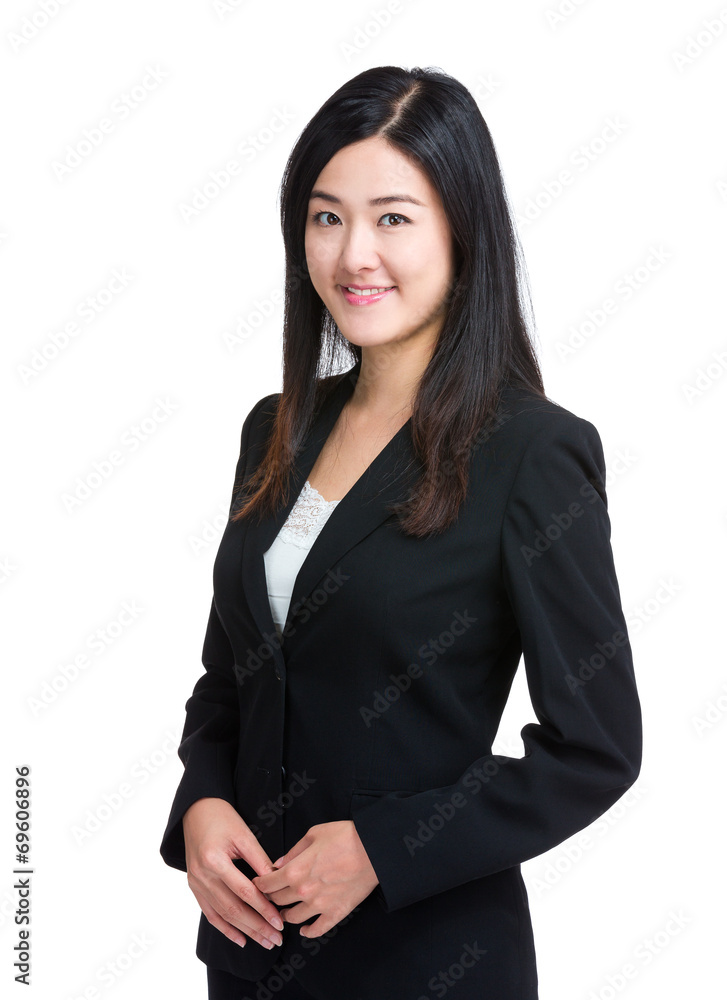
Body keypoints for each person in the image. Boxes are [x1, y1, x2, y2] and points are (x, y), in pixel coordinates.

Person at [159, 65, 642, 1000]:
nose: (351, 257)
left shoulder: (532, 453)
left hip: (427, 960)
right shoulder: (276, 428)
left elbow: (598, 748)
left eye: (392, 217)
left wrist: (385, 849)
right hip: (253, 958)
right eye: (326, 216)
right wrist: (201, 806)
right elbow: (233, 678)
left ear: (461, 231)